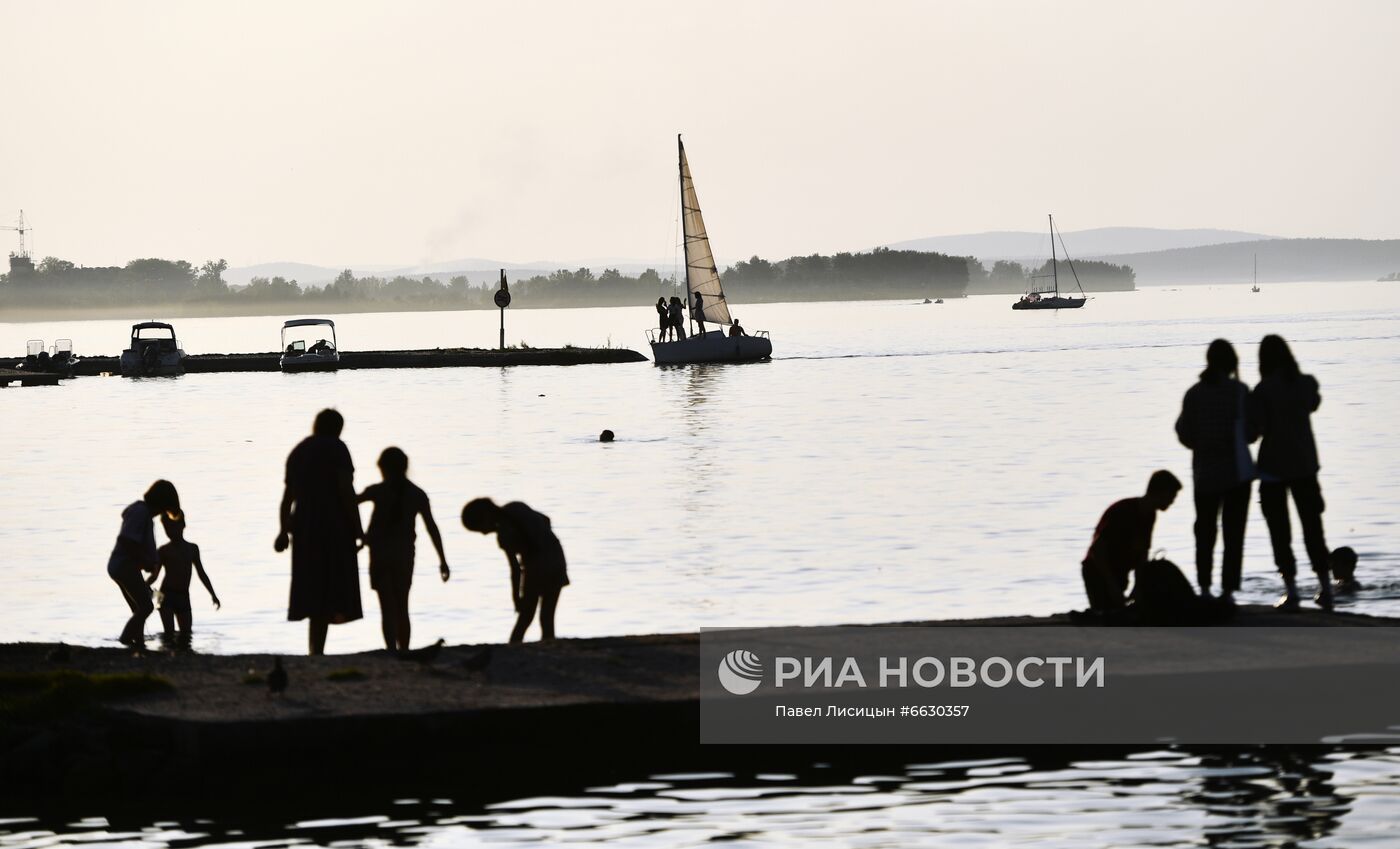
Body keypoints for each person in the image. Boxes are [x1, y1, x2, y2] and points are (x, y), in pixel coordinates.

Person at [1249, 335, 1331, 611]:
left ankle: (1292, 591)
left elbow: (1254, 431)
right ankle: (1326, 587)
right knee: (1313, 528)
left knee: (1279, 531)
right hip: (1305, 465)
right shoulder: (1306, 383)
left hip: (1272, 468)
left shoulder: (1261, 391)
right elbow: (1313, 404)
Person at [276, 409, 364, 655]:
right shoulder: (337, 449)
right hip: (334, 527)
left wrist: (283, 531)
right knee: (331, 586)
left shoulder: (299, 451)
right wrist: (358, 529)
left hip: (303, 529)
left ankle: (315, 651)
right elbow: (345, 490)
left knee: (313, 587)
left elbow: (286, 500)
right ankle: (317, 651)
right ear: (337, 428)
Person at [1175, 339, 1255, 601]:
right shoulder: (1241, 391)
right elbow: (1253, 433)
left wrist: (1201, 444)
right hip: (1237, 475)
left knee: (1205, 531)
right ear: (1232, 362)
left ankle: (1205, 588)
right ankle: (1229, 590)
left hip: (1205, 474)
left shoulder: (1194, 393)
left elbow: (1183, 433)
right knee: (1234, 533)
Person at [358, 447, 449, 653]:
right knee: (402, 605)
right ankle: (404, 649)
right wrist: (442, 560)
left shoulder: (378, 491)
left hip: (380, 553)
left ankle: (391, 649)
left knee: (387, 607)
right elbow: (432, 528)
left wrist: (359, 535)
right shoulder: (417, 494)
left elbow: (350, 502)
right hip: (404, 554)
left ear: (383, 468)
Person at [461, 497, 569, 643]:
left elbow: (515, 569)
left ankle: (514, 646)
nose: (484, 533)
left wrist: (516, 597)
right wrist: (544, 538)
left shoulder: (504, 535)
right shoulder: (516, 507)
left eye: (480, 528)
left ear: (486, 516)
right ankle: (548, 645)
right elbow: (546, 520)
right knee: (547, 616)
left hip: (536, 567)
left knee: (525, 618)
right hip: (556, 558)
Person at [1081, 470, 1182, 613]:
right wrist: (1112, 585)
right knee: (1107, 612)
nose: (1172, 500)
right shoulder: (1124, 511)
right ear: (1159, 492)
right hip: (1097, 571)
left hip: (1121, 571)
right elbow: (1098, 550)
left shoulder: (1150, 515)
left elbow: (1142, 553)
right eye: (1171, 495)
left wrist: (1138, 586)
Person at [108, 480, 181, 648]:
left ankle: (139, 642)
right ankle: (125, 639)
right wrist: (145, 561)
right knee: (147, 606)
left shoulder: (143, 514)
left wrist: (148, 562)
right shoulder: (141, 513)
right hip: (124, 566)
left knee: (137, 607)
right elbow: (127, 541)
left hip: (123, 566)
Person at [147, 512, 219, 648]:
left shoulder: (192, 549)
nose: (169, 531)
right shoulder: (163, 550)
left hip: (183, 596)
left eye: (172, 527)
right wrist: (143, 585)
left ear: (183, 525)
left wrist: (213, 595)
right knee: (168, 635)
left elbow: (201, 573)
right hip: (165, 595)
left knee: (186, 636)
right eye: (166, 528)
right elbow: (155, 576)